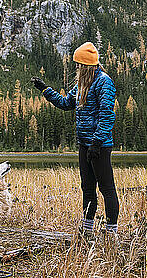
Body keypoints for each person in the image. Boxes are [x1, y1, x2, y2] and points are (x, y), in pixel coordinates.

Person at [31, 42, 119, 237]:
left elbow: (107, 115)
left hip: (99, 146)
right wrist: (45, 90)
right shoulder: (80, 85)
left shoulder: (105, 82)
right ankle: (87, 230)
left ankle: (111, 233)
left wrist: (97, 142)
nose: (76, 67)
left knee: (106, 188)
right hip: (84, 144)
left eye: (79, 64)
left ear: (87, 65)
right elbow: (65, 103)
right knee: (87, 188)